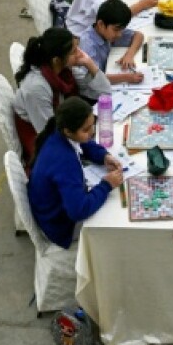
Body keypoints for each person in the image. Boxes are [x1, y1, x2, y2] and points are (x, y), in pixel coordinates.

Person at [27, 97, 123, 247]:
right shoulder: (65, 161)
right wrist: (106, 185)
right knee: (118, 217)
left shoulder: (57, 133)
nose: (92, 132)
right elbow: (79, 210)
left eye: (93, 125)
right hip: (62, 226)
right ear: (68, 131)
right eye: (86, 129)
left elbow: (84, 143)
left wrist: (104, 156)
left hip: (58, 209)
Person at [12, 29, 111, 157]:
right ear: (56, 60)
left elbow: (104, 92)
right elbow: (49, 134)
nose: (80, 54)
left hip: (63, 125)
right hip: (40, 138)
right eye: (74, 52)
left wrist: (89, 63)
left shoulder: (64, 70)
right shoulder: (36, 89)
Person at [76, 0, 146, 87]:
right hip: (93, 93)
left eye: (122, 29)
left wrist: (129, 55)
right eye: (116, 30)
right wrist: (127, 77)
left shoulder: (108, 32)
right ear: (101, 24)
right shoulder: (88, 45)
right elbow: (95, 78)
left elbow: (139, 36)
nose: (120, 34)